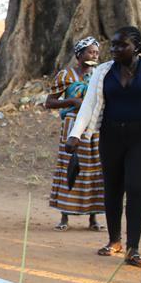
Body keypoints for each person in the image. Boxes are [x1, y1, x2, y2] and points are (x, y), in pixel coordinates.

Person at [67, 26, 141, 267]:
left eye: (121, 45)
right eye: (112, 45)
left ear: (137, 48)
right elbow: (89, 105)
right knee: (113, 188)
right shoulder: (103, 72)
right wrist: (76, 135)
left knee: (136, 188)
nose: (114, 50)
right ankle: (114, 240)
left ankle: (133, 248)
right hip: (111, 136)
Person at [45, 37, 105, 232]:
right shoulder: (66, 75)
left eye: (96, 53)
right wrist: (72, 102)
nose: (94, 55)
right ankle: (64, 216)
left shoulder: (99, 75)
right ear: (79, 54)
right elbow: (50, 102)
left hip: (93, 126)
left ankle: (93, 219)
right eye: (90, 52)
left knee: (93, 169)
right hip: (71, 125)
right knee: (70, 165)